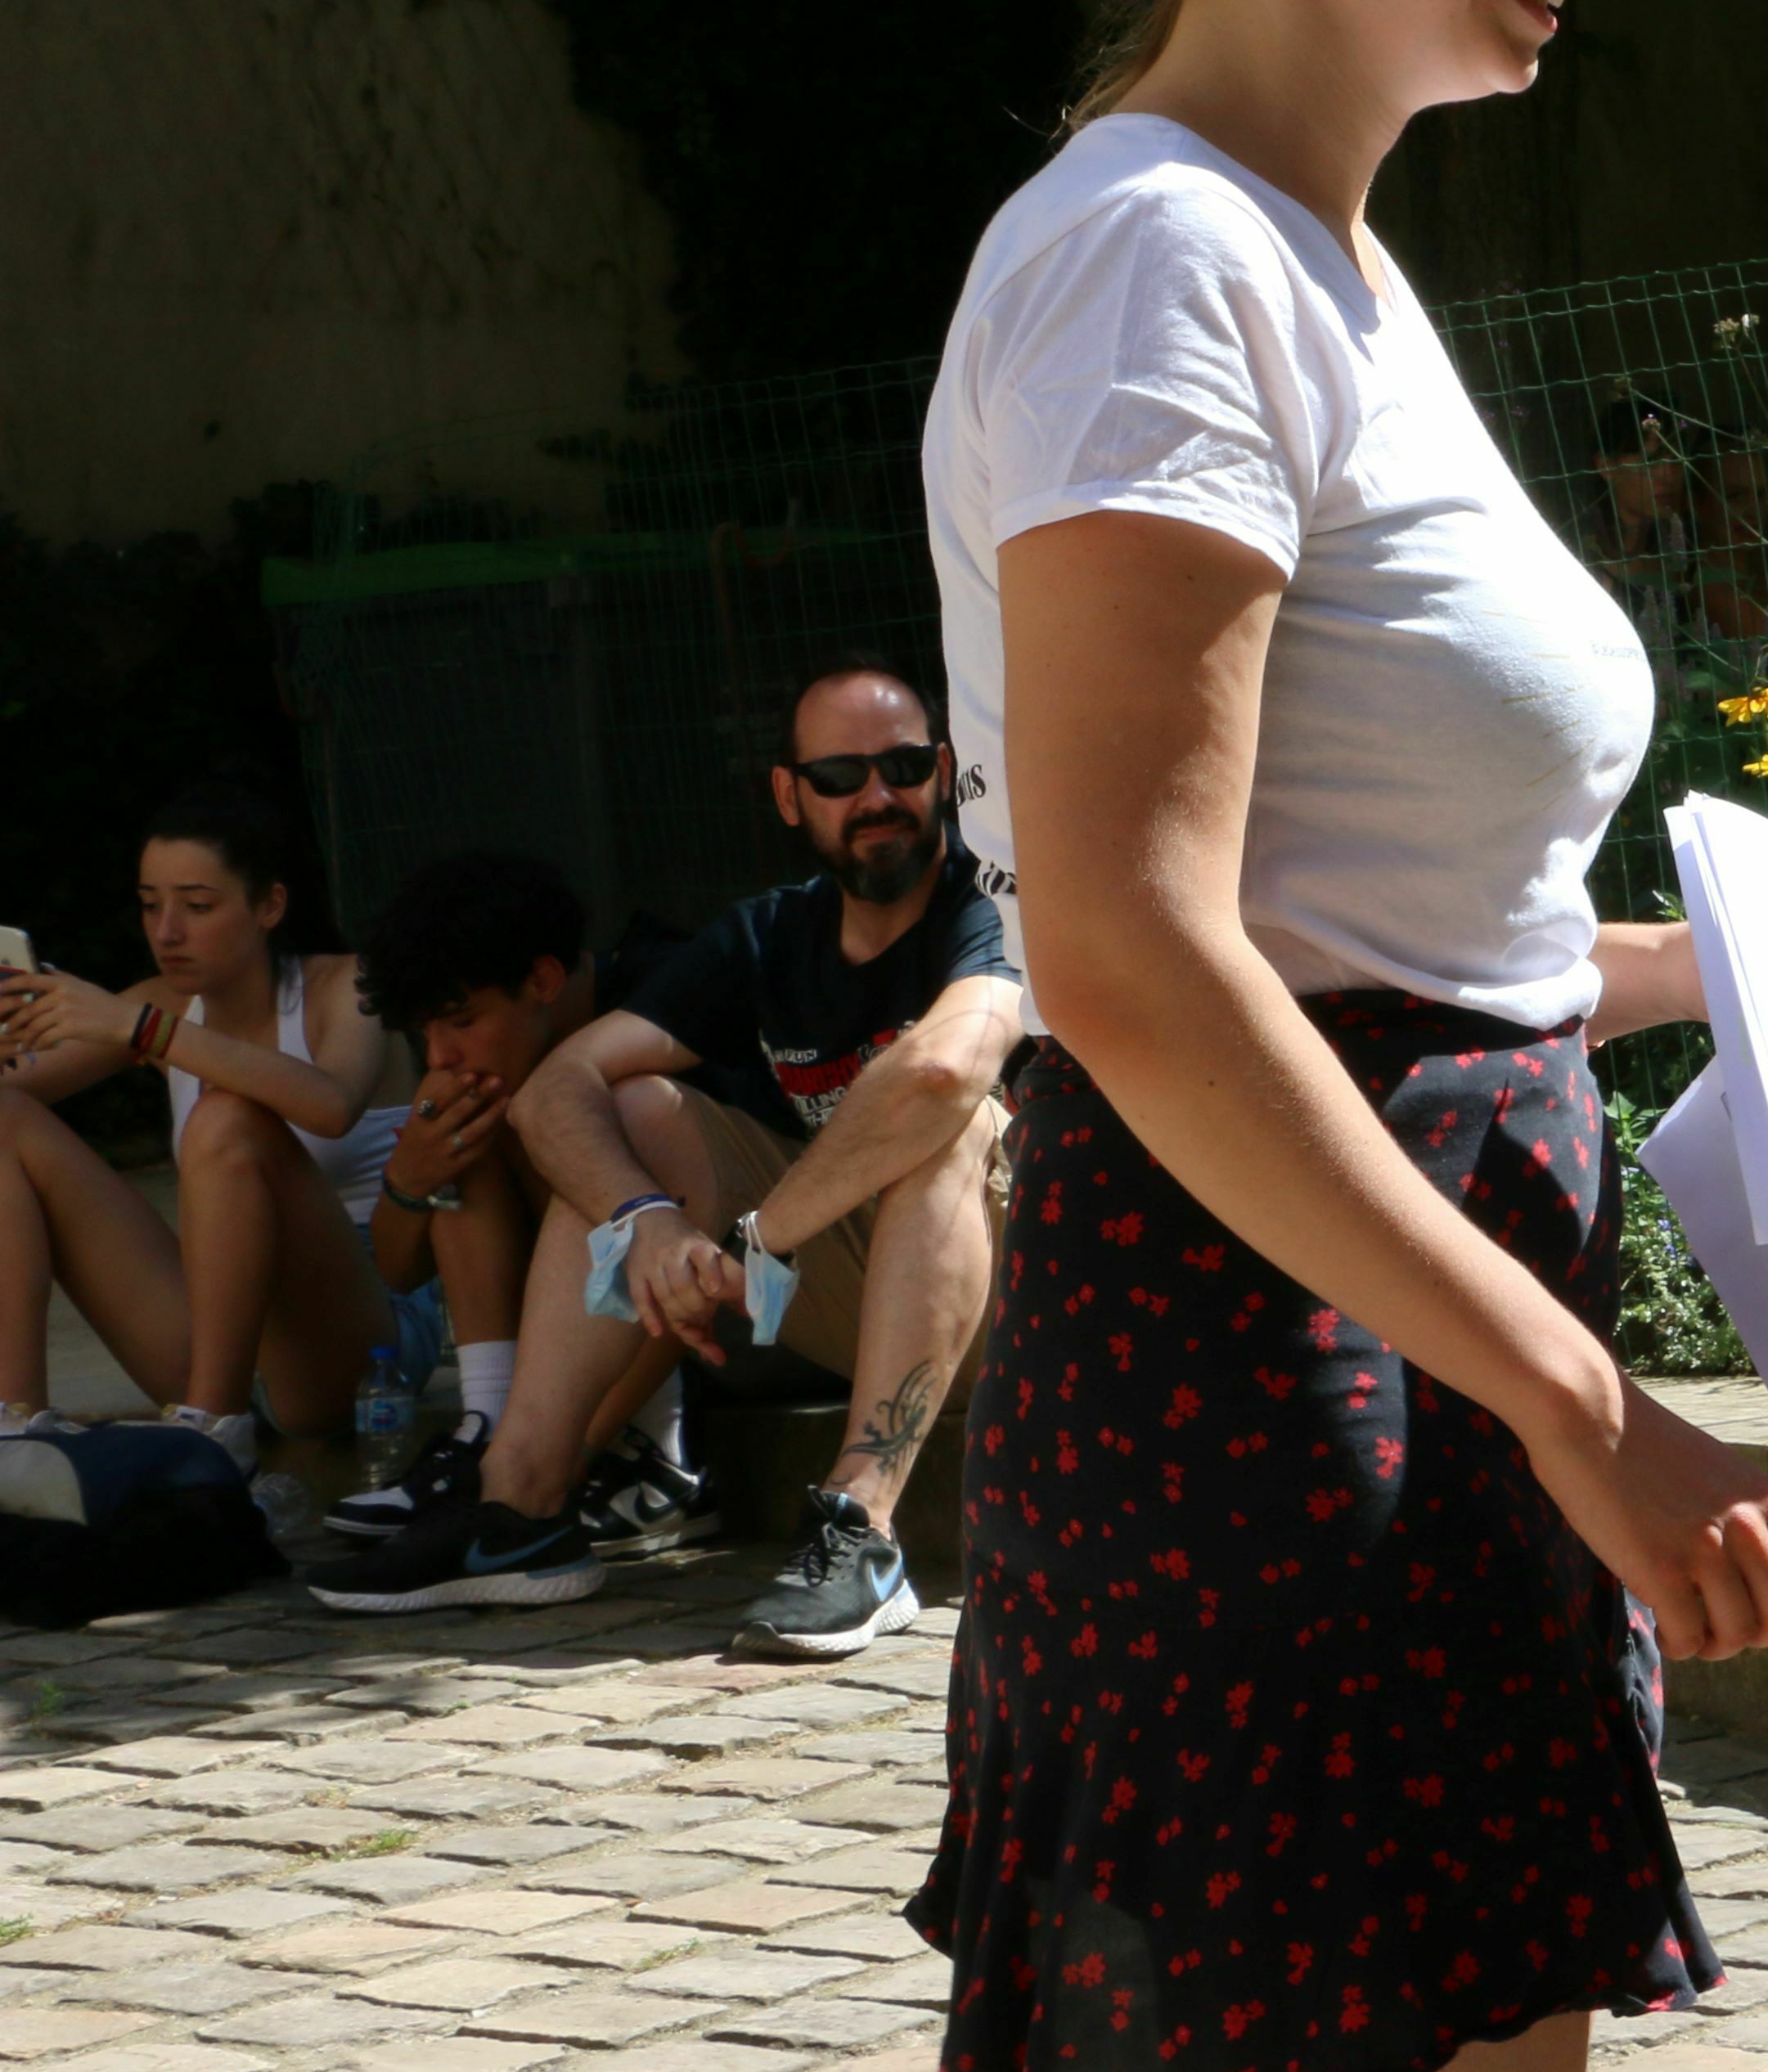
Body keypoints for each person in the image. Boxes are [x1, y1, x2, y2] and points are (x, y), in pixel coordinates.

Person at [909, 0, 1768, 2072]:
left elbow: (1357, 907)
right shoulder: (1161, 259)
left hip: (1391, 1341)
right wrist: (1582, 1399)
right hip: (1280, 1370)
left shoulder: (1316, 249)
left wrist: (1721, 974)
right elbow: (1130, 944)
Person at [304, 654, 1018, 1655]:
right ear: (787, 794)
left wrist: (764, 1233)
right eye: (838, 776)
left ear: (944, 771)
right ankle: (519, 1508)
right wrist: (650, 1226)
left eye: (902, 766)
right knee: (633, 1109)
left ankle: (862, 1526)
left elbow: (946, 1072)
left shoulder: (992, 903)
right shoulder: (770, 933)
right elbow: (557, 1088)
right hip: (857, 1286)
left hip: (1025, 1299)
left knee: (949, 1124)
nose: (877, 797)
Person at [0, 780, 416, 1463]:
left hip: (359, 1340)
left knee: (227, 1118)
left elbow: (331, 1105)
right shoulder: (159, 1004)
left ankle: (213, 1442)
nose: (167, 932)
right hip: (215, 1331)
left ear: (270, 905)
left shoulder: (350, 986)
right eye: (149, 906)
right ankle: (19, 1429)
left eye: (197, 906)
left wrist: (141, 1028)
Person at [326, 850, 615, 1544]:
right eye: (424, 1031)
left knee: (578, 1117)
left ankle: (617, 1447)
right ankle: (485, 1427)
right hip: (552, 1331)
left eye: (459, 1020)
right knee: (457, 1136)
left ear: (544, 979)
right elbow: (398, 1276)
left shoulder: (647, 1006)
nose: (441, 1055)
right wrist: (410, 1175)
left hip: (691, 1314)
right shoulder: (472, 1078)